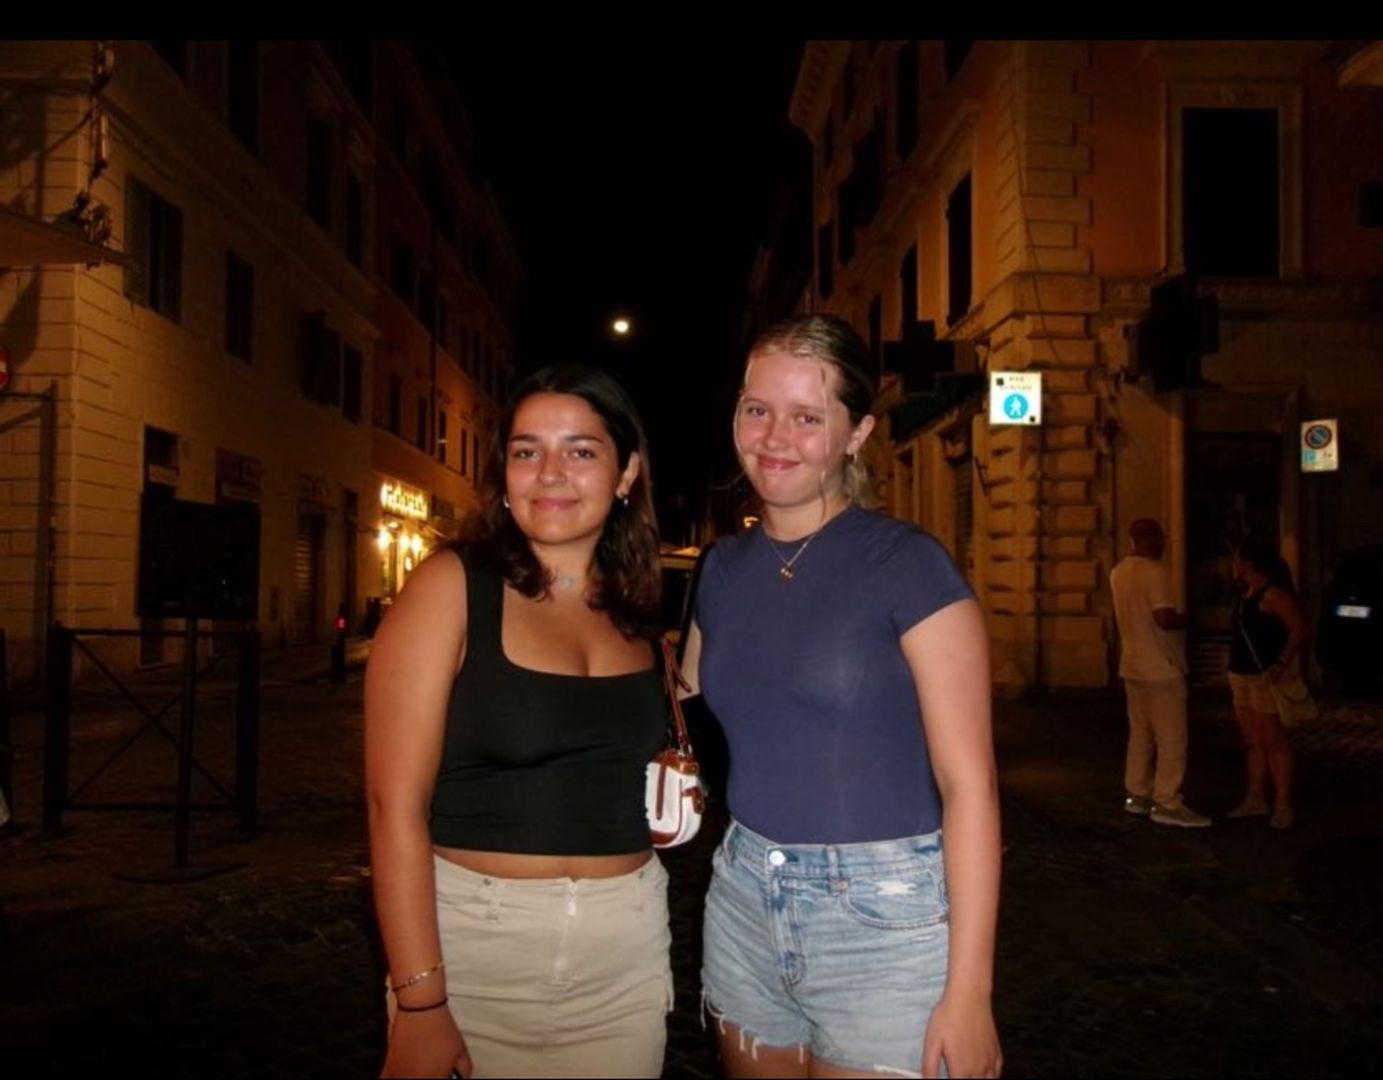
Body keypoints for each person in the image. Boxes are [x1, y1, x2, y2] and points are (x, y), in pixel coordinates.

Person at [681, 314, 1002, 1079]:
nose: (772, 436)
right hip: (742, 894)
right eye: (756, 409)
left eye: (806, 417)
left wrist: (970, 993)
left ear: (856, 433)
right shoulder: (719, 570)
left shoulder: (909, 566)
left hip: (883, 916)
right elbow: (682, 696)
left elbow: (971, 788)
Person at [365, 364, 673, 1078]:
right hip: (475, 951)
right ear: (502, 474)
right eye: (526, 450)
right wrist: (420, 1002)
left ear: (625, 474)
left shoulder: (638, 613)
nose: (550, 473)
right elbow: (392, 806)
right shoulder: (450, 586)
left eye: (582, 451)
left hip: (624, 951)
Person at [1108, 518, 1211, 827]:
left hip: (1132, 664)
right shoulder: (1155, 572)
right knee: (1172, 738)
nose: (1165, 545)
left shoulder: (1118, 573)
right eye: (1162, 539)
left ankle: (1137, 793)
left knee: (1140, 733)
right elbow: (1163, 618)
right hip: (1161, 667)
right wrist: (1190, 620)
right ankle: (1167, 801)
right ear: (1151, 540)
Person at [1226, 538, 1309, 829]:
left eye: (1236, 558)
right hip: (1240, 673)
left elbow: (1298, 629)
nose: (1232, 565)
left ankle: (1283, 802)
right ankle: (1256, 797)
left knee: (1272, 738)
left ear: (1248, 563)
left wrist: (1281, 662)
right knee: (1252, 740)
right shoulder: (1245, 593)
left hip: (1263, 675)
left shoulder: (1272, 595)